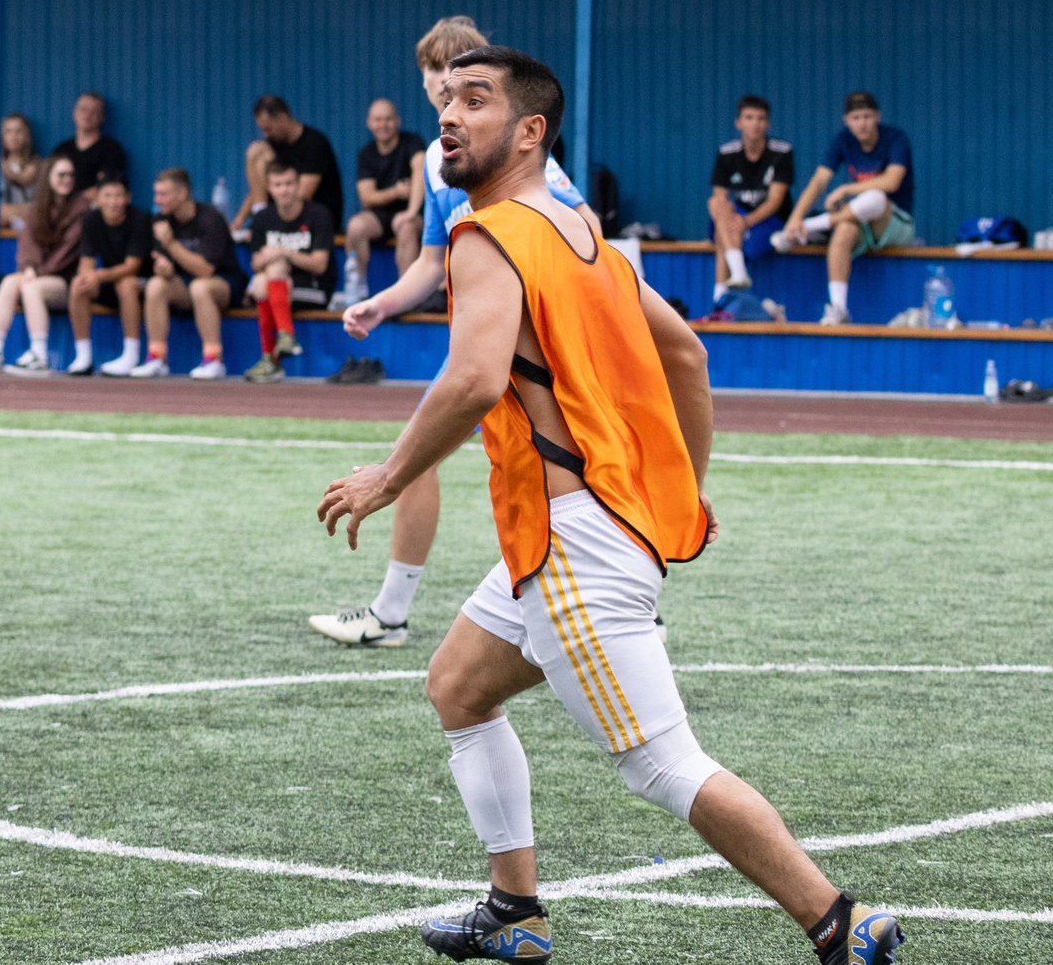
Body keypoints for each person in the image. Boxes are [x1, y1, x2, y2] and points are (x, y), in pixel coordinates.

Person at [318, 47, 903, 965]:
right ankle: (514, 911)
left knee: (663, 762)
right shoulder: (581, 229)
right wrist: (681, 489)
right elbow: (689, 356)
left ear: (530, 132)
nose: (450, 114)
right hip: (590, 530)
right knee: (458, 684)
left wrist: (386, 477)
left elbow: (472, 380)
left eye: (476, 99)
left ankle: (841, 923)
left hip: (573, 549)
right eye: (447, 99)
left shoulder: (486, 236)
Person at [317, 15, 605, 647]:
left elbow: (587, 229)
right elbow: (430, 262)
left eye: (458, 81)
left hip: (530, 351)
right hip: (482, 348)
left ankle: (624, 599)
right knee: (422, 455)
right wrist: (380, 304)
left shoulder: (515, 158)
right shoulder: (438, 160)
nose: (439, 87)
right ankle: (392, 613)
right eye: (435, 74)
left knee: (564, 463)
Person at [775, 91, 915, 326]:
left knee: (876, 197)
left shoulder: (896, 139)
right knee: (843, 230)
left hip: (895, 223)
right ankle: (839, 309)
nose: (862, 123)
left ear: (877, 117)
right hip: (861, 222)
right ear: (846, 121)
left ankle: (811, 225)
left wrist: (845, 189)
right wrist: (794, 219)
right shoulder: (843, 140)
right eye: (856, 118)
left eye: (867, 116)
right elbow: (819, 181)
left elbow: (892, 182)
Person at [0, 153, 80, 374]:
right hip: (38, 273)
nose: (67, 179)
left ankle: (39, 354)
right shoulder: (36, 209)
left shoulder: (81, 208)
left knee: (31, 287)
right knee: (10, 281)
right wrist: (29, 267)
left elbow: (67, 253)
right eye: (61, 174)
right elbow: (27, 243)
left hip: (67, 281)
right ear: (48, 177)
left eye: (71, 175)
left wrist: (37, 273)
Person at [135, 167, 238, 379]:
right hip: (185, 284)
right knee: (155, 285)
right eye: (156, 193)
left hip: (224, 282)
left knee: (200, 287)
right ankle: (157, 358)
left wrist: (171, 244)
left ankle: (214, 360)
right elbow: (162, 261)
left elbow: (205, 270)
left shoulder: (210, 218)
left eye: (163, 194)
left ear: (182, 193)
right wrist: (162, 268)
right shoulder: (160, 219)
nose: (157, 200)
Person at [242, 159, 334, 382]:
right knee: (261, 280)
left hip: (314, 289)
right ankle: (283, 340)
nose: (284, 190)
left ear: (298, 184)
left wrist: (284, 252)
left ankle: (271, 358)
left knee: (275, 268)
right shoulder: (263, 218)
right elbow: (255, 263)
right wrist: (271, 257)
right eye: (278, 185)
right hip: (278, 288)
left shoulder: (318, 214)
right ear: (269, 188)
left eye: (289, 183)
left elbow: (320, 265)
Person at [707, 95, 793, 305]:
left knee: (722, 232)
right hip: (736, 218)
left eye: (761, 118)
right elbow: (719, 197)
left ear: (768, 123)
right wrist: (736, 221)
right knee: (716, 206)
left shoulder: (782, 152)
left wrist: (744, 222)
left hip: (769, 222)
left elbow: (775, 201)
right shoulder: (726, 153)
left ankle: (719, 299)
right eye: (749, 118)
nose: (755, 123)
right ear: (738, 123)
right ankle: (737, 273)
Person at [71, 174, 154, 376]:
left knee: (126, 284)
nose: (113, 202)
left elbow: (132, 267)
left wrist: (97, 276)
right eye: (107, 196)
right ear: (98, 198)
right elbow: (86, 262)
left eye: (118, 196)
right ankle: (83, 357)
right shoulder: (90, 219)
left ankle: (131, 355)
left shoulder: (140, 219)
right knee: (78, 284)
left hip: (145, 284)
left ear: (128, 198)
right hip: (110, 281)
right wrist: (87, 277)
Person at [340, 97, 416, 308]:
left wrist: (410, 210)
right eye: (378, 120)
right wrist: (397, 192)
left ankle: (407, 296)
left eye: (388, 119)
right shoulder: (366, 154)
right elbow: (367, 197)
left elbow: (420, 174)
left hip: (411, 214)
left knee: (407, 227)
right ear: (369, 123)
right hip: (380, 217)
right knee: (356, 226)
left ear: (398, 121)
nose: (383, 124)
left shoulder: (412, 143)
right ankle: (358, 290)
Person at [237, 96, 344, 241]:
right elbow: (258, 188)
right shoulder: (273, 144)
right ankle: (260, 219)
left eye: (268, 128)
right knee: (256, 150)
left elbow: (303, 195)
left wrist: (271, 223)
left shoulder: (315, 144)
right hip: (280, 216)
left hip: (314, 222)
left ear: (282, 118)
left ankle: (263, 223)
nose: (265, 134)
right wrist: (239, 220)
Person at [45, 92, 127, 194]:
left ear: (102, 117)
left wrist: (74, 199)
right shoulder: (62, 149)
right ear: (75, 113)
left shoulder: (112, 150)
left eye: (94, 111)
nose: (87, 115)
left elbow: (106, 188)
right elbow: (49, 183)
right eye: (83, 109)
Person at [0, 112, 43, 232]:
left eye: (18, 131)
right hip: (0, 211)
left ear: (27, 135)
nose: (13, 136)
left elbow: (21, 178)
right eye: (8, 131)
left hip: (25, 210)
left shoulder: (36, 162)